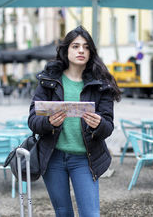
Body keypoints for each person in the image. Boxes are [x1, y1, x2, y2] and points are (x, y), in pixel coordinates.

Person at [28, 26, 121, 217]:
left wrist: (98, 125)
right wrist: (49, 123)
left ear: (91, 52)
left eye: (86, 47)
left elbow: (108, 126)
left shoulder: (101, 84)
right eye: (75, 46)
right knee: (63, 212)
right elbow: (33, 121)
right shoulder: (48, 80)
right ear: (66, 50)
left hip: (85, 159)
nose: (81, 51)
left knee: (90, 213)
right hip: (53, 157)